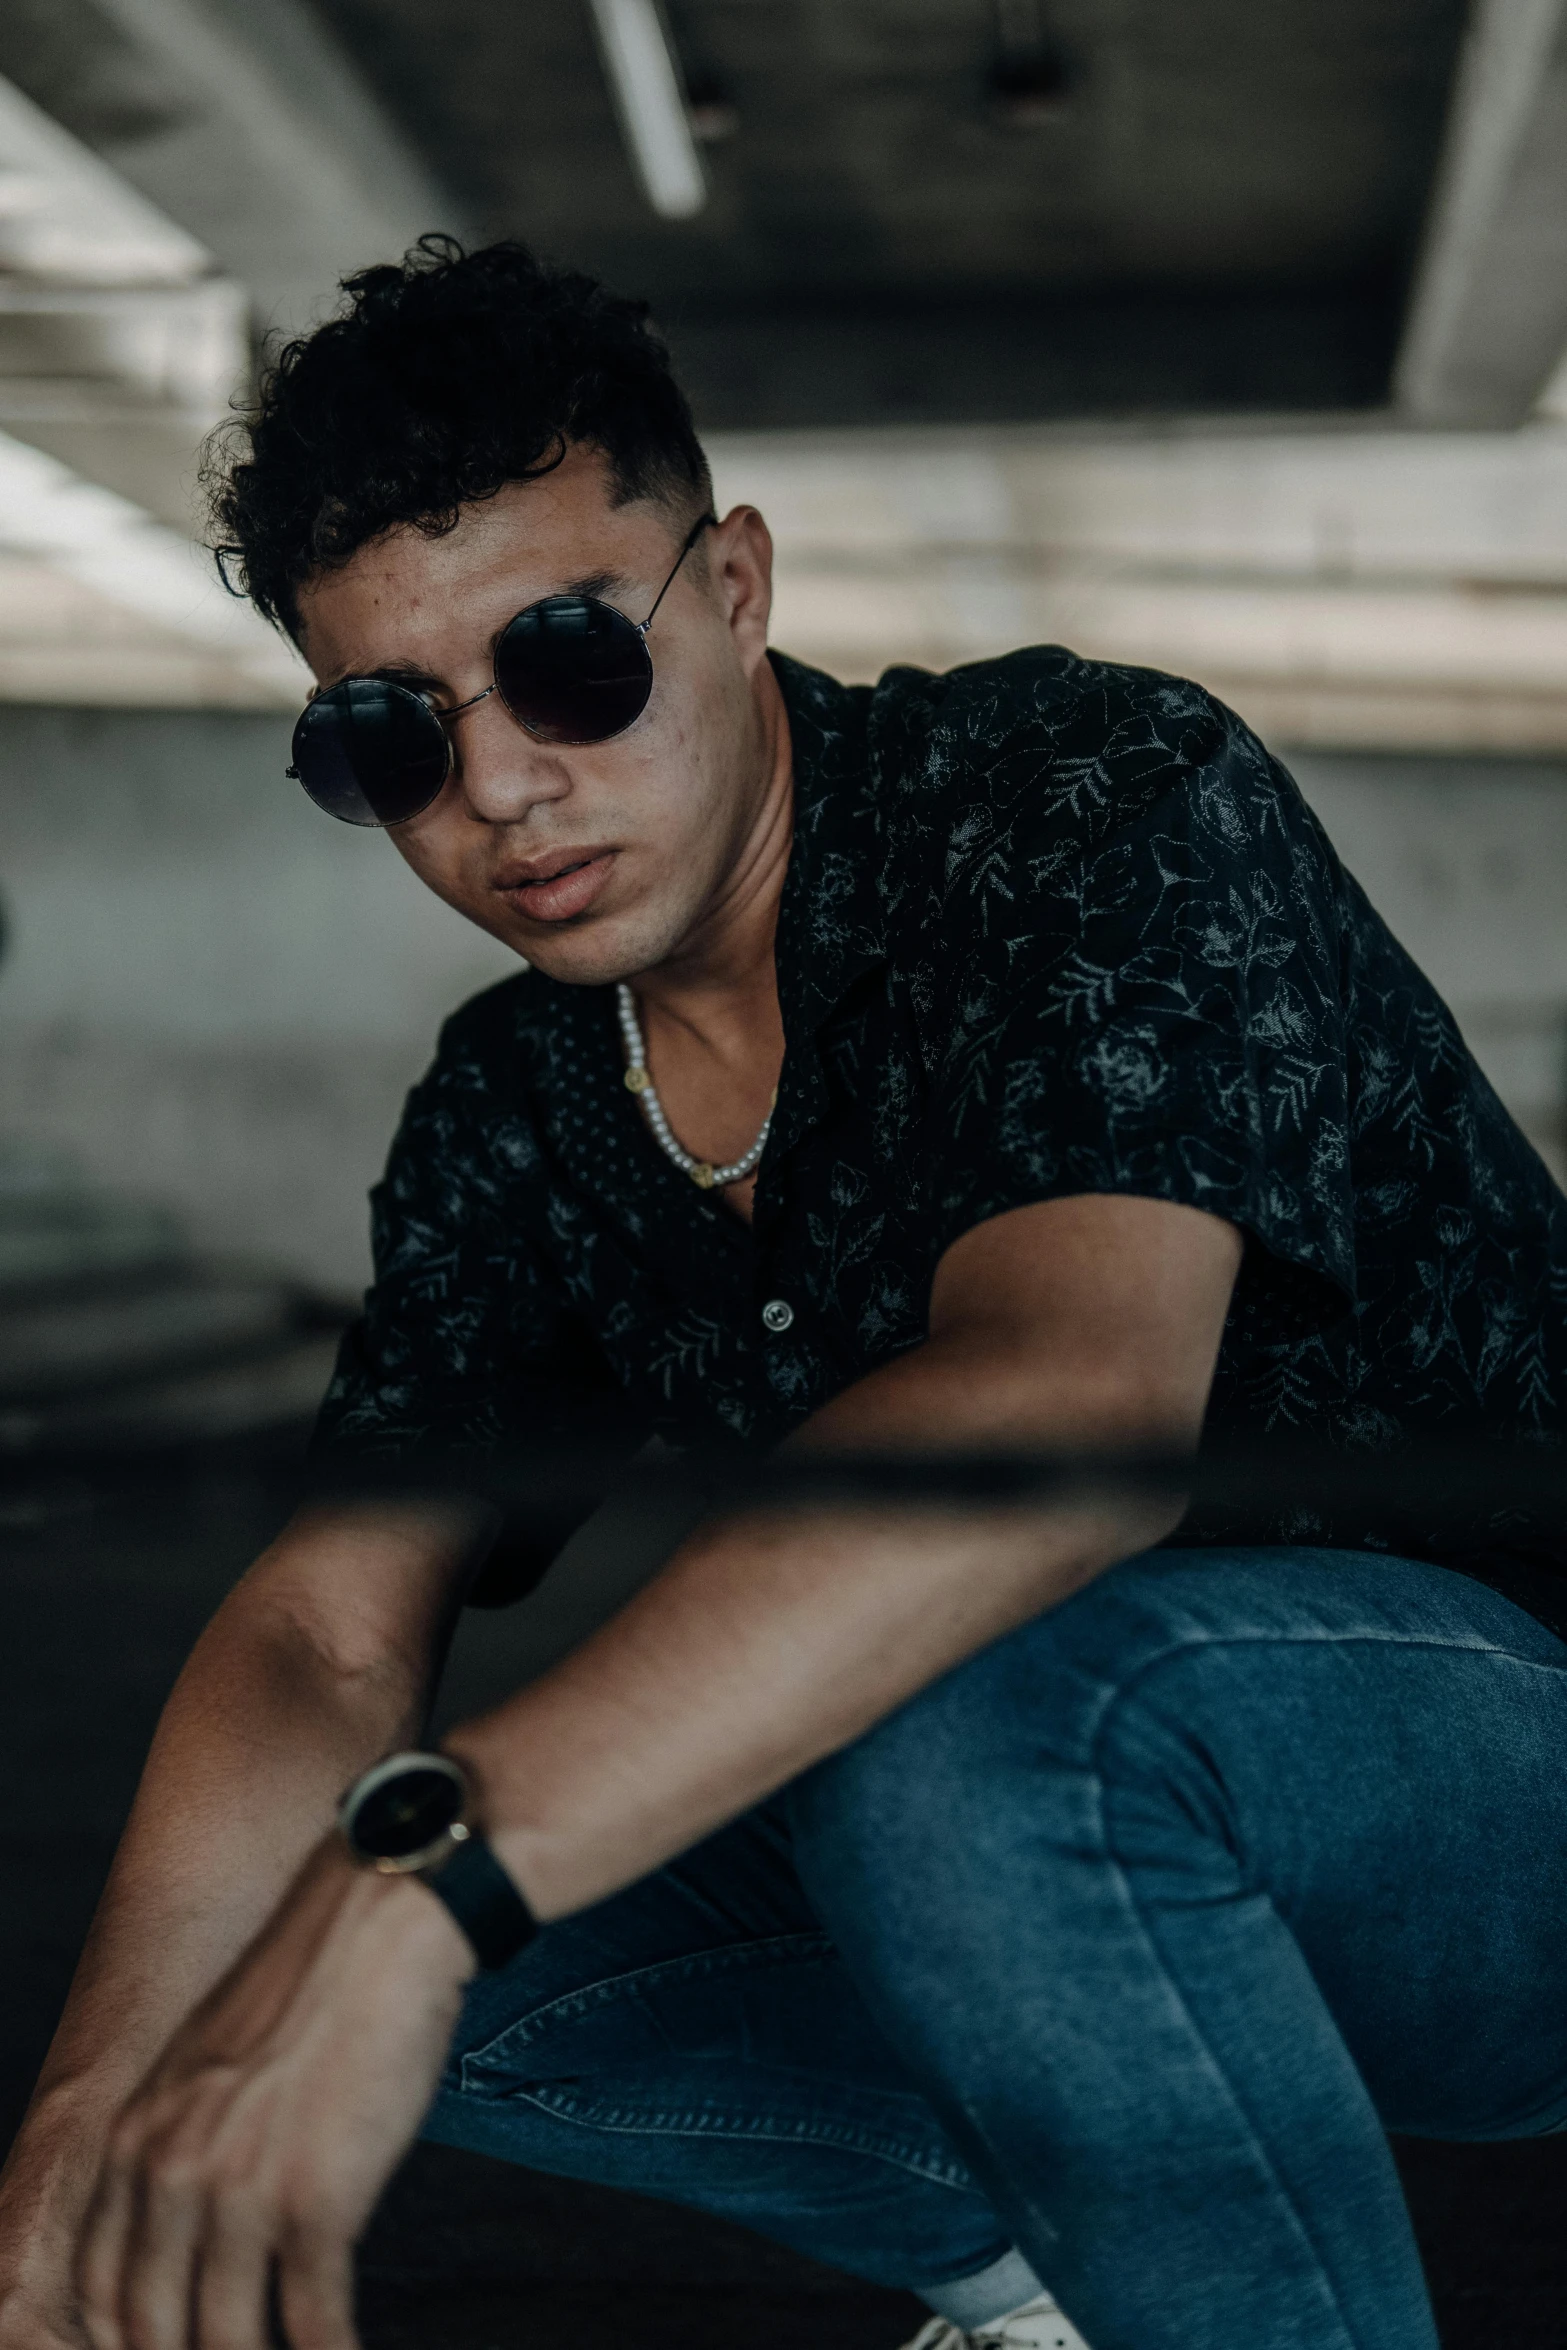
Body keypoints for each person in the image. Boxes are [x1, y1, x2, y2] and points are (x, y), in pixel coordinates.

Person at [3, 237, 1567, 2350]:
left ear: (734, 583)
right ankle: (1055, 2286)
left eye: (567, 660)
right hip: (1033, 1890)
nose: (498, 788)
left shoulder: (1084, 801)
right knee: (283, 1951)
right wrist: (98, 2110)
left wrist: (427, 1888)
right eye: (389, 732)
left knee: (970, 1711)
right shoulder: (523, 1100)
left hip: (1496, 1813)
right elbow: (323, 1617)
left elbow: (1059, 1423)